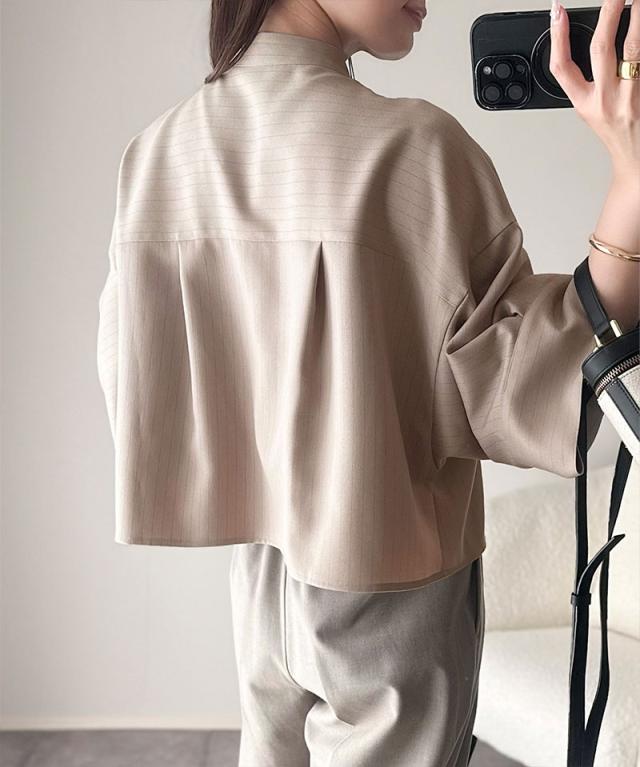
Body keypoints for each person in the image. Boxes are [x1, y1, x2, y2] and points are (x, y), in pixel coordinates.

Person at [96, 0, 640, 764]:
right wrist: (633, 180)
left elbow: (133, 374)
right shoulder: (413, 149)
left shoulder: (159, 152)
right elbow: (532, 385)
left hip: (261, 579)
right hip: (392, 587)